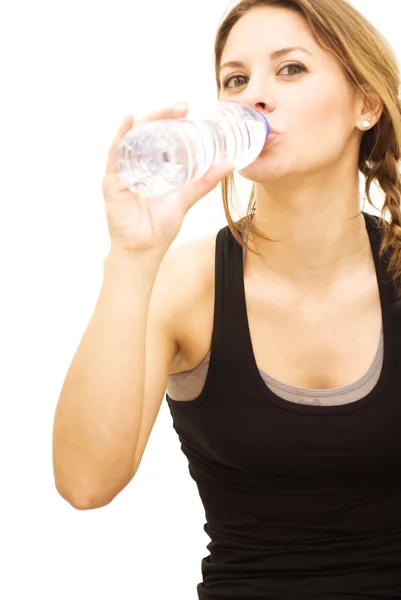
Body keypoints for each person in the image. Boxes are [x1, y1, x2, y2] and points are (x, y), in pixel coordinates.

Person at [52, 0, 401, 597]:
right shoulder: (188, 285)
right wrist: (134, 259)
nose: (254, 97)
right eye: (236, 79)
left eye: (289, 69)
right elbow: (86, 484)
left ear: (364, 104)